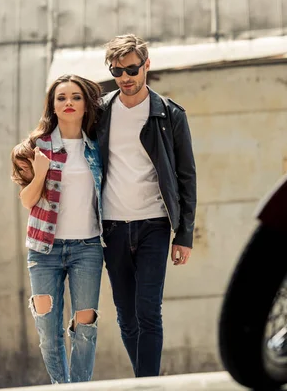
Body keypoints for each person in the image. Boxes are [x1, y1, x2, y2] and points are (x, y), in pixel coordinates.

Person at [96, 34, 197, 377]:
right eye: (117, 71)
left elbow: (187, 177)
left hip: (154, 223)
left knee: (148, 311)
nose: (125, 77)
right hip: (111, 227)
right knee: (126, 313)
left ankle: (147, 385)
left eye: (131, 69)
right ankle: (145, 379)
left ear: (146, 65)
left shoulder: (169, 114)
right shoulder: (100, 113)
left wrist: (184, 234)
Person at [10, 74, 105, 384]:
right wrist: (40, 174)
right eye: (61, 97)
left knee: (85, 329)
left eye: (75, 97)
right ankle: (61, 388)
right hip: (43, 251)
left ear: (86, 104)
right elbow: (27, 201)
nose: (68, 103)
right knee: (49, 333)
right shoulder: (36, 147)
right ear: (52, 105)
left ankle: (79, 388)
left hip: (87, 249)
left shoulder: (98, 147)